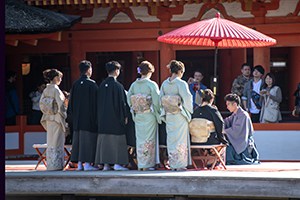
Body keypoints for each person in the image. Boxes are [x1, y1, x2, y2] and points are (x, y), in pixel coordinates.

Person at [95, 61, 129, 171]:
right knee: (117, 141)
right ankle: (117, 164)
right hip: (115, 119)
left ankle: (105, 164)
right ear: (116, 71)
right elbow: (122, 104)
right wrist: (124, 116)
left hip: (103, 119)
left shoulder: (101, 85)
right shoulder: (118, 86)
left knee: (105, 142)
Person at [127, 61, 161, 171]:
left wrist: (135, 108)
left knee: (140, 140)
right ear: (150, 72)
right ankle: (148, 164)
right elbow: (156, 102)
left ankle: (141, 164)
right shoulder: (151, 84)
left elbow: (129, 100)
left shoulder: (134, 85)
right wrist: (158, 114)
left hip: (138, 115)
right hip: (149, 115)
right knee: (149, 139)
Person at [160, 60, 193, 171]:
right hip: (179, 114)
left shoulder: (164, 83)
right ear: (180, 71)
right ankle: (179, 164)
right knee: (180, 140)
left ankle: (173, 163)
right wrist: (189, 112)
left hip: (169, 115)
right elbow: (187, 99)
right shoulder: (181, 83)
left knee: (171, 139)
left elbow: (161, 100)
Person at [68, 60, 99, 171]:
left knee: (78, 142)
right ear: (89, 69)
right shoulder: (92, 84)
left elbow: (70, 104)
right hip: (89, 119)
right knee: (88, 141)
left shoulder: (75, 84)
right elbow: (96, 103)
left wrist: (72, 118)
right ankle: (88, 164)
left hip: (77, 120)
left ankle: (80, 164)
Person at [40, 69, 67, 170]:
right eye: (59, 77)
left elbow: (41, 104)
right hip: (56, 118)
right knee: (57, 141)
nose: (60, 79)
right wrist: (65, 116)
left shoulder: (46, 90)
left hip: (48, 118)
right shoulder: (56, 89)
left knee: (51, 141)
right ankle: (57, 165)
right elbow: (61, 105)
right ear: (55, 78)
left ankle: (51, 164)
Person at [224, 93, 259, 165]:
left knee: (228, 148)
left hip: (244, 143)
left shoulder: (243, 115)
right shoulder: (235, 114)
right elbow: (226, 122)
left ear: (234, 104)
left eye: (228, 104)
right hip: (238, 141)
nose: (227, 107)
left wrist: (224, 131)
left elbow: (237, 131)